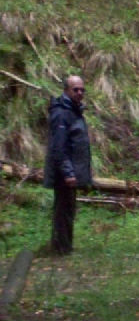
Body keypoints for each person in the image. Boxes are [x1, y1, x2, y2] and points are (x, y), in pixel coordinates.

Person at [43, 75, 92, 255]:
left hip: (69, 172)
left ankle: (64, 247)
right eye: (75, 89)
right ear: (66, 90)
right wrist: (68, 173)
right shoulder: (61, 113)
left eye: (82, 89)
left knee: (68, 210)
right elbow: (59, 147)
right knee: (63, 211)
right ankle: (61, 250)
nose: (79, 93)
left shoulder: (73, 110)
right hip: (63, 174)